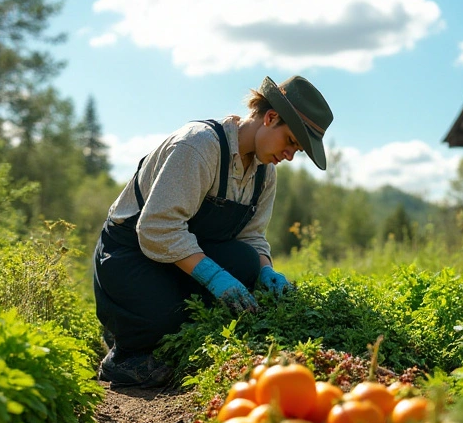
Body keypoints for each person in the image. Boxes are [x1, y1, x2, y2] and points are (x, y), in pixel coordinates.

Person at [92, 75, 333, 388]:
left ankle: (151, 318)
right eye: (290, 141)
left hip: (180, 258)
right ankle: (122, 351)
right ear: (271, 117)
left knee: (247, 263)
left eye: (297, 150)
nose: (289, 155)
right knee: (165, 319)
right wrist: (214, 277)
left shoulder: (265, 174)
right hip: (130, 254)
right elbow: (156, 228)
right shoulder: (199, 146)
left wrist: (266, 273)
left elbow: (252, 237)